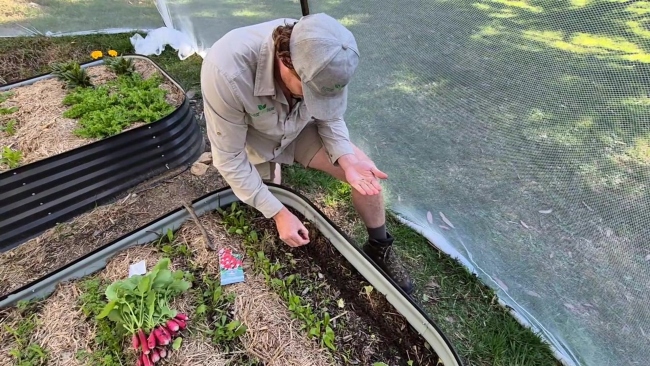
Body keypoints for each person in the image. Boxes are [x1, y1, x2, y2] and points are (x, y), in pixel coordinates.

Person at [200, 13, 413, 294]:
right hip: (255, 137)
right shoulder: (226, 70)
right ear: (286, 61)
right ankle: (273, 186)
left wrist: (347, 160)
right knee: (264, 200)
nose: (316, 99)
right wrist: (278, 213)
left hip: (299, 129)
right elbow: (229, 158)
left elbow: (330, 115)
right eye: (310, 93)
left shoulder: (325, 49)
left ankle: (379, 246)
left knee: (365, 175)